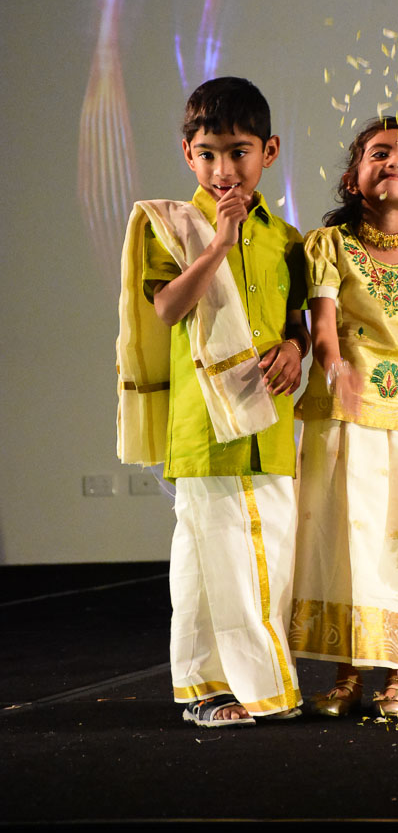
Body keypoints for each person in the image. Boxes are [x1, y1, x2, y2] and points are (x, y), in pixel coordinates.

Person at [117, 76, 309, 727]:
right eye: (207, 153)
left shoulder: (286, 238)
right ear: (187, 153)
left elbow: (297, 323)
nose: (223, 169)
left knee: (220, 562)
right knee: (232, 556)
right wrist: (219, 242)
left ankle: (202, 688)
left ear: (269, 151)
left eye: (238, 152)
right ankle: (265, 691)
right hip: (206, 427)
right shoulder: (170, 225)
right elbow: (168, 307)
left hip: (270, 422)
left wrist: (296, 348)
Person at [289, 116, 398, 718]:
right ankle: (346, 674)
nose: (396, 161)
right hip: (343, 417)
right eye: (380, 152)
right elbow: (323, 328)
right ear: (352, 179)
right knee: (341, 540)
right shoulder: (329, 247)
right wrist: (334, 367)